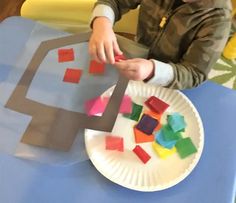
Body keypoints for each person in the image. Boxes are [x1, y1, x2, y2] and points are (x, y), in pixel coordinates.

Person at [89, 0, 232, 89]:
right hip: (140, 51)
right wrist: (102, 23)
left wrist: (153, 70)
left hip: (172, 76)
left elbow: (194, 73)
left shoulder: (218, 20)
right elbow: (113, 2)